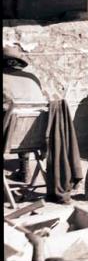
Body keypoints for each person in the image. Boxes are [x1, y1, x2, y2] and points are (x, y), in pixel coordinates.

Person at [3, 46, 48, 183]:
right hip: (35, 137)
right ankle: (24, 170)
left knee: (13, 121)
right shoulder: (33, 78)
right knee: (22, 122)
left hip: (10, 136)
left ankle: (23, 171)